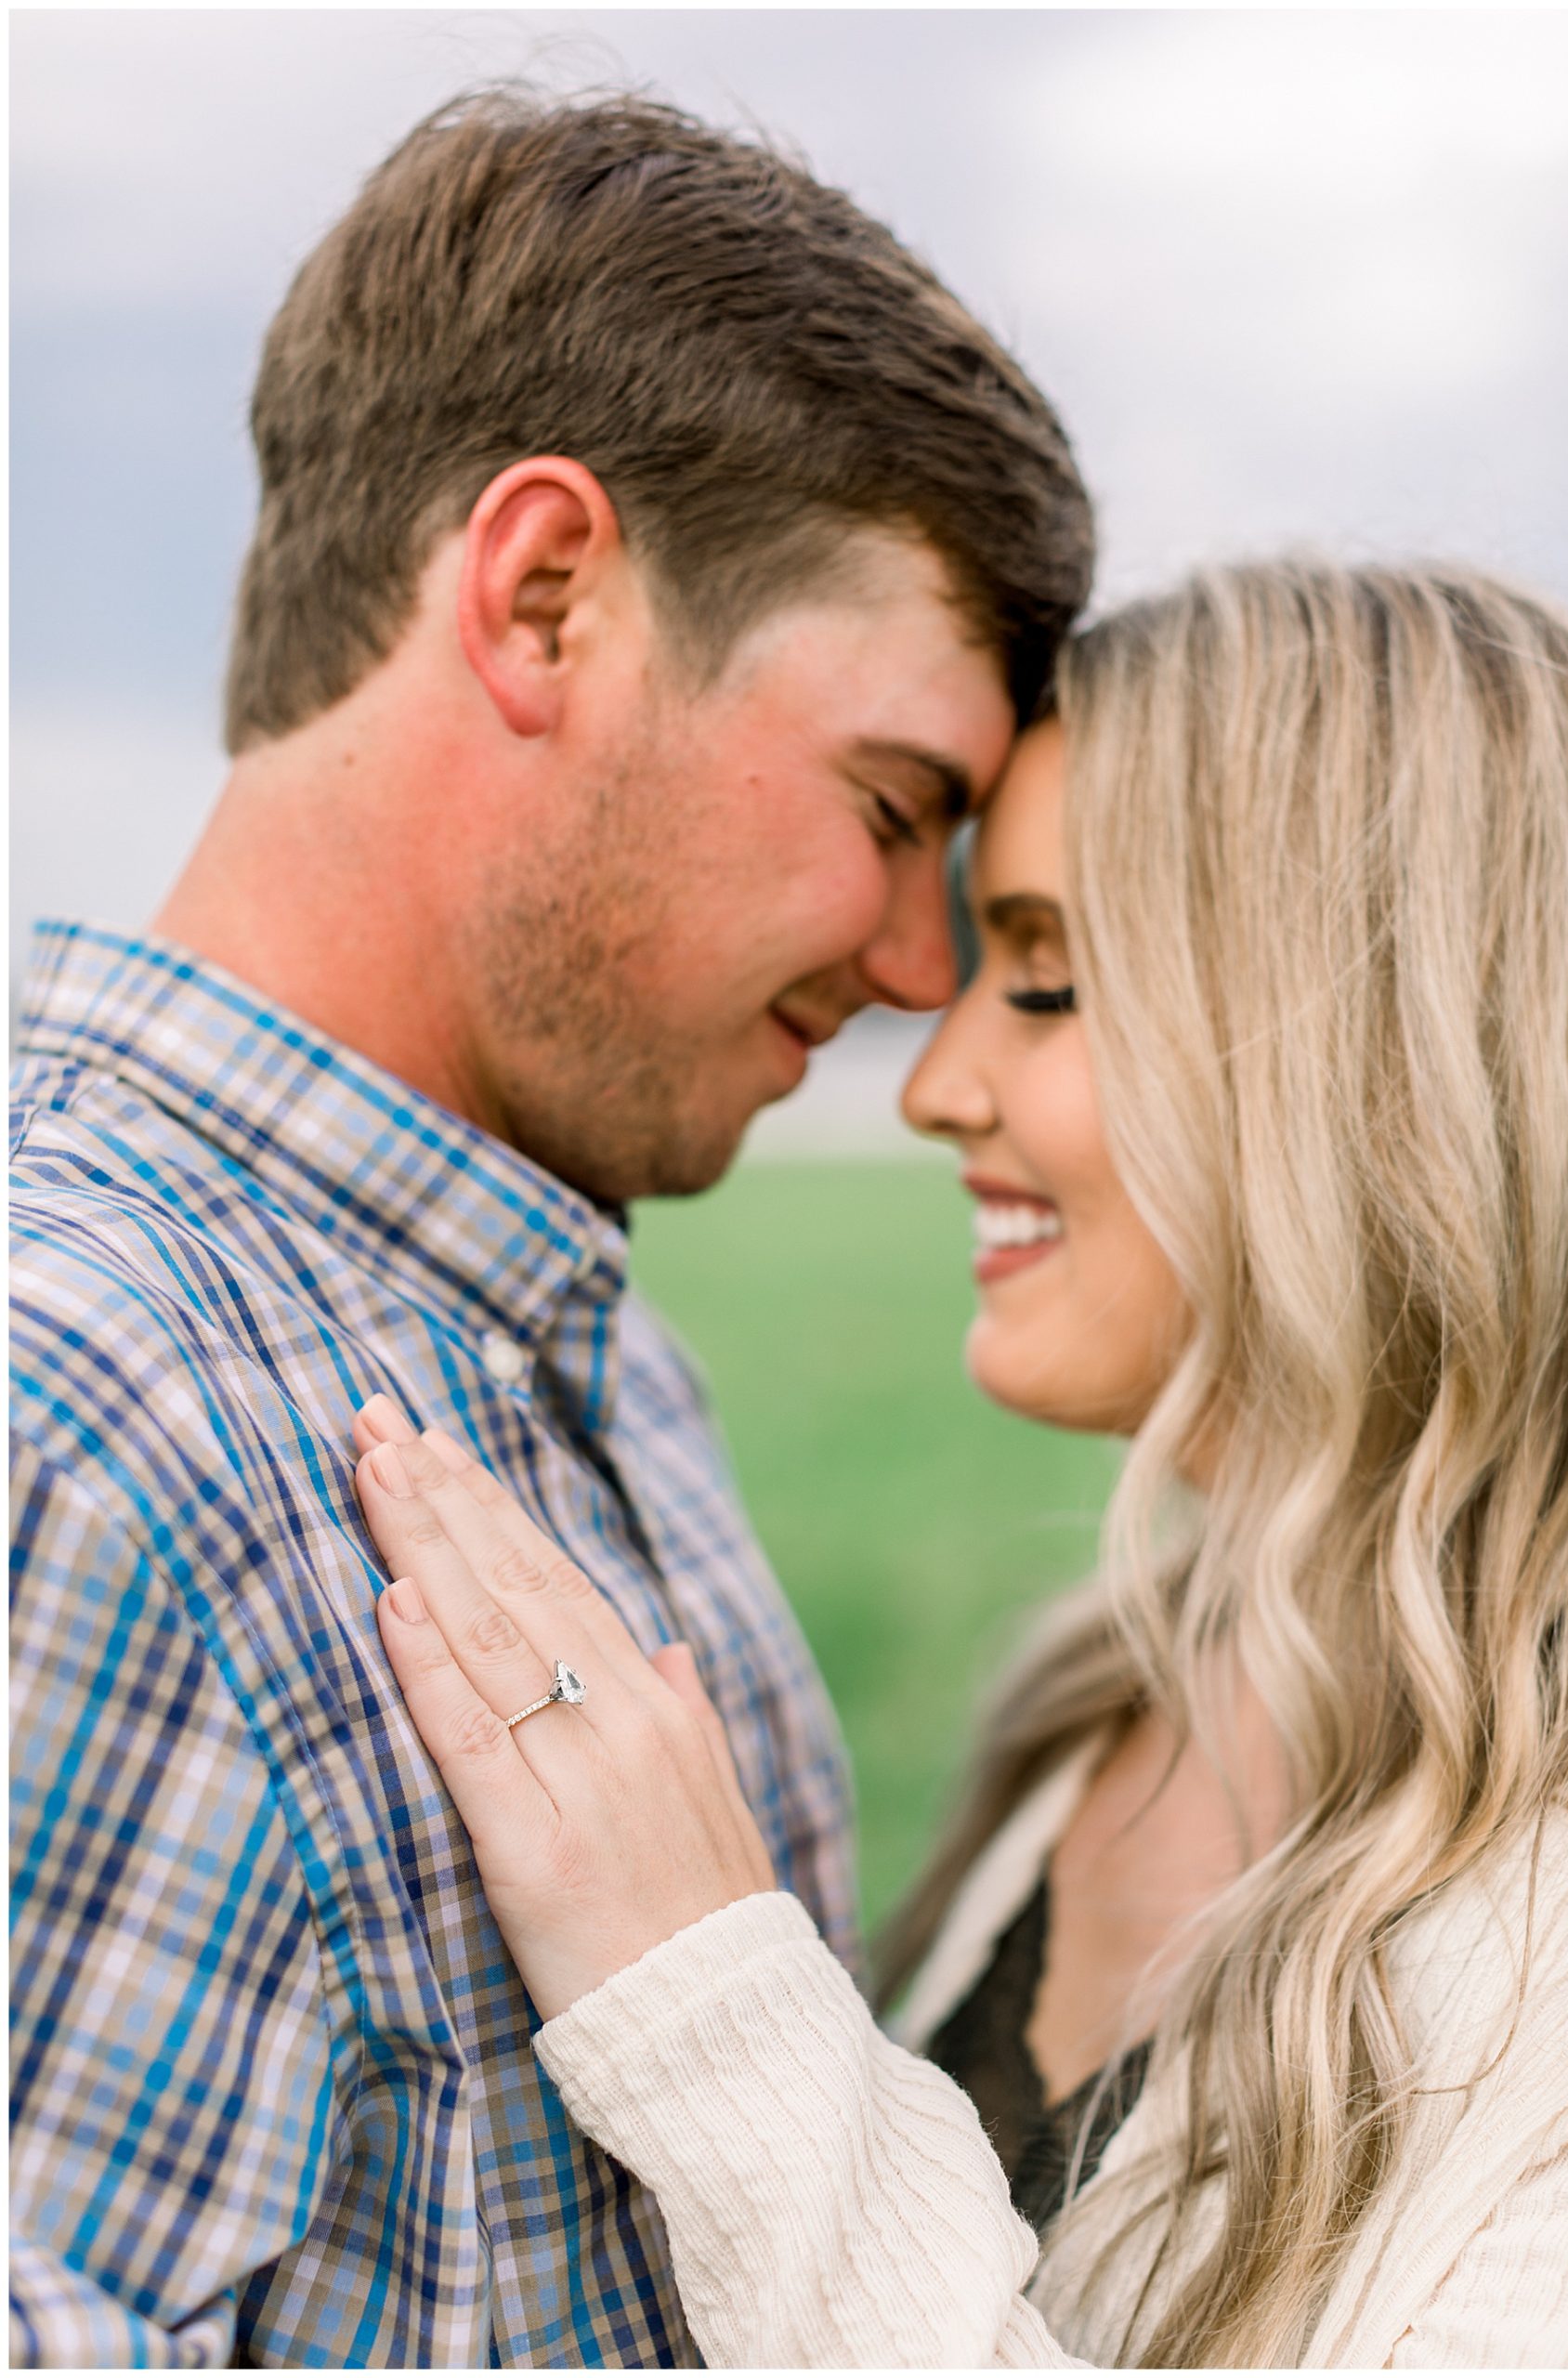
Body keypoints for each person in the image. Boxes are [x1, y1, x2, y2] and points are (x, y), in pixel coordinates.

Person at [8, 86, 1093, 2367]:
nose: (919, 969)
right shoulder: (71, 1408)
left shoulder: (589, 1358)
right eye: (889, 808)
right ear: (541, 595)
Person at [357, 559, 1568, 2369]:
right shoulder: (1091, 1711)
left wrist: (712, 2003)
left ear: (1362, 1070)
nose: (931, 1083)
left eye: (1048, 979)